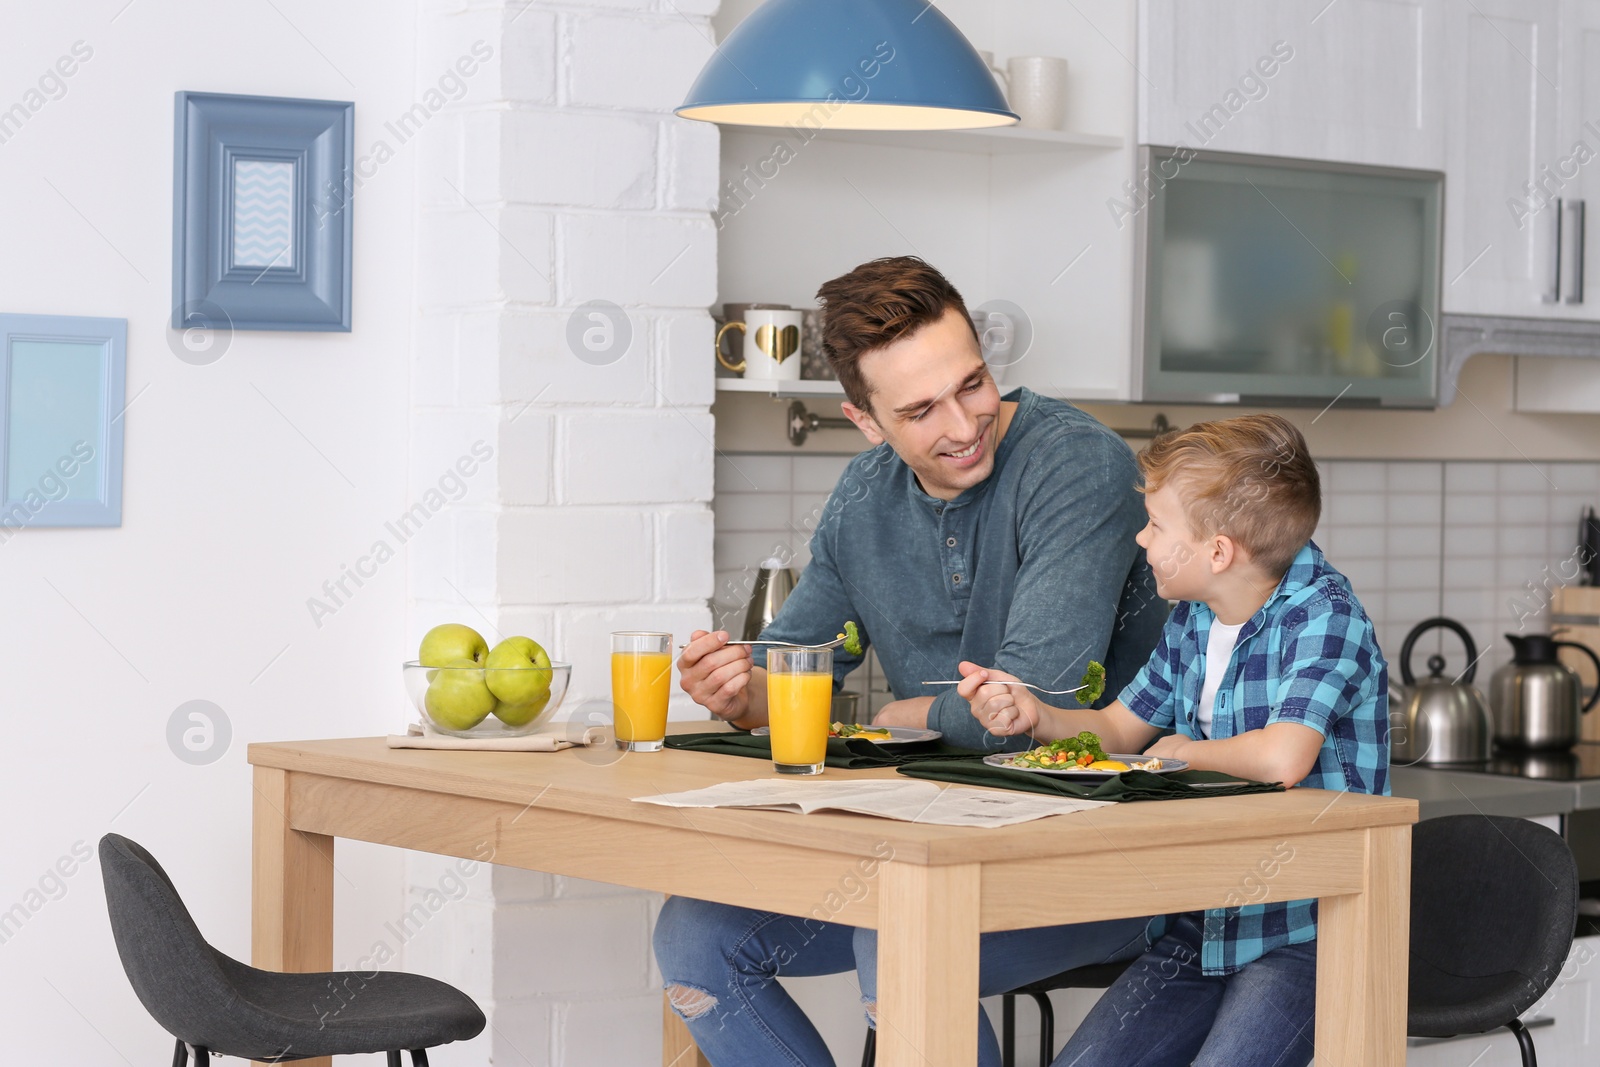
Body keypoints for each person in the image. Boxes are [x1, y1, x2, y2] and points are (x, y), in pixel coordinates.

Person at [653, 256, 1168, 1066]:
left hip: (1115, 852)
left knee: (894, 938)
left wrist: (903, 715)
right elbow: (793, 668)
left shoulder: (1075, 465)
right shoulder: (864, 495)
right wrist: (739, 692)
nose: (964, 425)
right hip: (932, 849)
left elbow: (1036, 710)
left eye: (973, 384)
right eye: (922, 409)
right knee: (695, 933)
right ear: (868, 422)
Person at [965, 413, 1389, 1067]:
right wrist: (1036, 715)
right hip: (1205, 923)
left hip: (1308, 931)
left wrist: (1179, 752)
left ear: (1218, 552)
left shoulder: (1325, 616)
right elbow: (1115, 728)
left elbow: (1283, 756)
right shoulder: (1195, 616)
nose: (1142, 537)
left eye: (1157, 525)